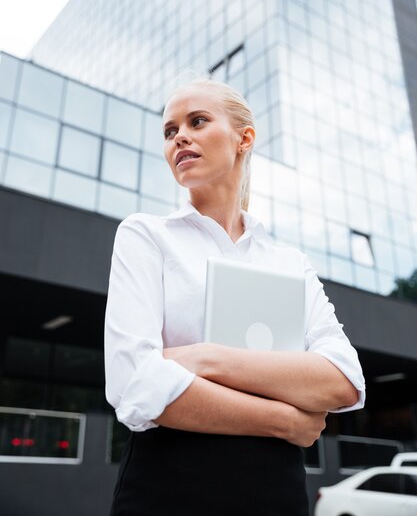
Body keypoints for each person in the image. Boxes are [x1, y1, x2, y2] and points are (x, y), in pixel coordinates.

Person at [104, 77, 366, 516]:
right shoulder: (145, 236)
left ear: (244, 138)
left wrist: (206, 358)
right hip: (166, 489)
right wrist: (283, 418)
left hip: (276, 494)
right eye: (170, 131)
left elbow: (343, 380)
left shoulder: (289, 262)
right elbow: (135, 384)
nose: (180, 137)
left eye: (197, 121)